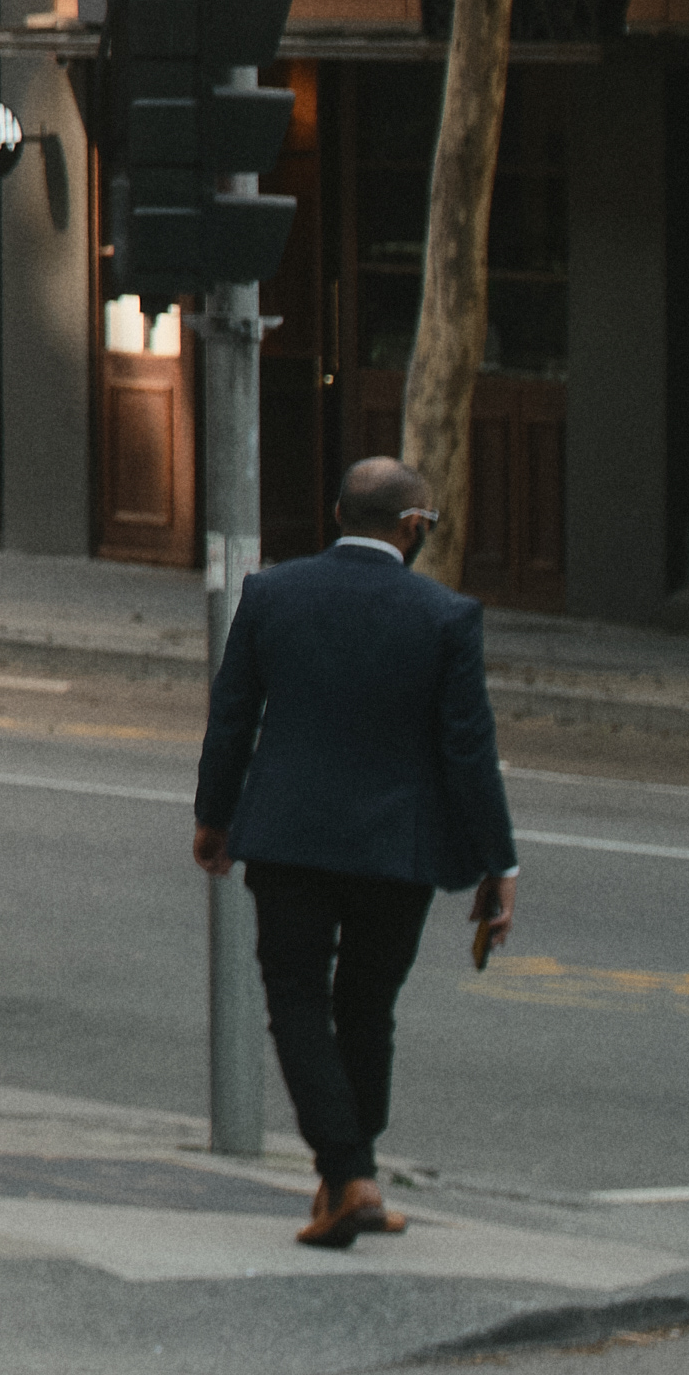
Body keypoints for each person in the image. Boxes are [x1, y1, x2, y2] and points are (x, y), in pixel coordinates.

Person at [192, 450, 523, 1250]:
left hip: (289, 839)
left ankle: (349, 1177)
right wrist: (497, 862)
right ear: (413, 528)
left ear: (339, 516)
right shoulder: (446, 616)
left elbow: (232, 714)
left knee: (297, 1000)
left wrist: (214, 815)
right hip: (395, 850)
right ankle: (353, 1174)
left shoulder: (272, 594)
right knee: (368, 1008)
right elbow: (468, 750)